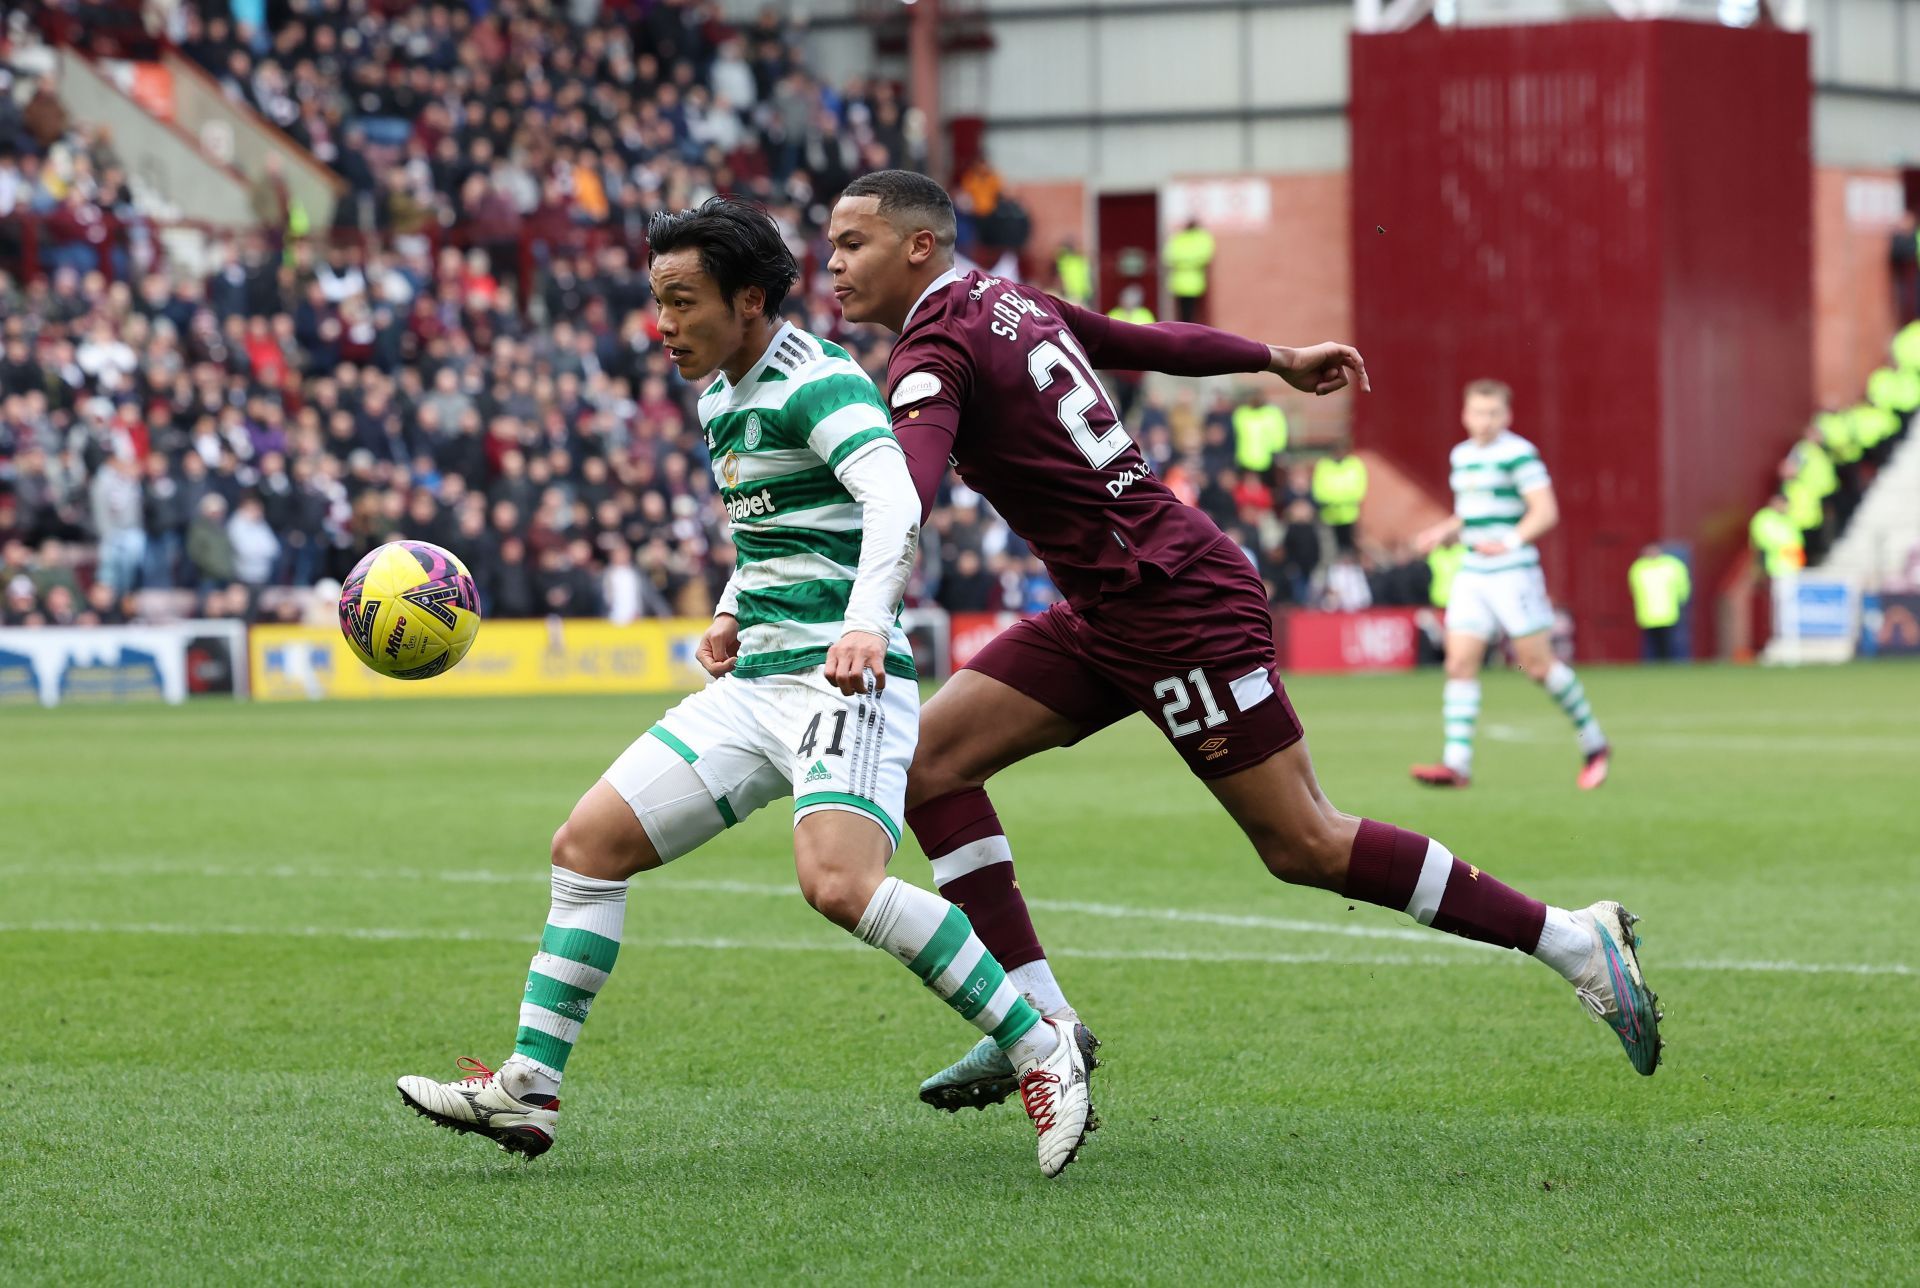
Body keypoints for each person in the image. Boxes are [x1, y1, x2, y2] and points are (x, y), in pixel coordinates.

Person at [825, 171, 1662, 1120]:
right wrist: (1273, 356)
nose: (835, 262)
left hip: (1172, 603)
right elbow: (1140, 342)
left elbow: (908, 495)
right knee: (929, 764)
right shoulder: (1003, 301)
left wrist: (856, 606)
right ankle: (1040, 1021)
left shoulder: (933, 353)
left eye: (853, 243)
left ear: (919, 246)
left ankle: (1572, 940)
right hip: (1115, 601)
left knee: (1305, 841)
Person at [395, 198, 1094, 1179]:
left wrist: (864, 621)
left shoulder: (819, 381)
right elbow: (772, 520)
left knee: (837, 883)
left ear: (750, 299)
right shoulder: (720, 392)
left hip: (843, 679)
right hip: (757, 679)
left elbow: (890, 496)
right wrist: (730, 602)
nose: (663, 325)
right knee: (587, 847)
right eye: (658, 302)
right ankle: (531, 1087)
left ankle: (1042, 1045)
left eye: (683, 302)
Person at [1409, 381, 1611, 791]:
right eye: (1478, 412)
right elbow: (1470, 513)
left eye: (1493, 413)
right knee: (1459, 663)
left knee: (1537, 666)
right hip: (1473, 571)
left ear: (1507, 416)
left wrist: (1510, 541)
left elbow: (1545, 511)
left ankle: (1593, 743)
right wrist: (1442, 531)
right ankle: (1457, 764)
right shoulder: (1461, 456)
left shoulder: (1519, 453)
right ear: (1465, 414)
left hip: (1513, 570)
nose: (1485, 421)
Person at [1628, 544, 1691, 662]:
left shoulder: (1672, 565)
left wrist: (1682, 601)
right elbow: (1635, 589)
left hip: (1669, 612)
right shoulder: (1639, 567)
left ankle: (1675, 665)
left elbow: (1683, 585)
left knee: (1671, 642)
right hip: (1647, 614)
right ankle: (1653, 666)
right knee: (1652, 644)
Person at [1312, 441, 1367, 554]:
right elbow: (1319, 491)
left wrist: (1336, 499)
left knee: (1350, 550)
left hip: (1350, 515)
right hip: (1329, 515)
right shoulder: (1323, 466)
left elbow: (1359, 490)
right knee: (1329, 550)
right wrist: (1340, 498)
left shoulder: (1355, 465)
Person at [1163, 217, 1214, 324]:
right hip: (1184, 283)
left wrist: (1182, 261)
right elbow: (1169, 256)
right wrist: (1191, 261)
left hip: (1193, 283)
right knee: (1185, 315)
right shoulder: (1180, 237)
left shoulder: (1199, 238)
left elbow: (1204, 256)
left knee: (1193, 314)